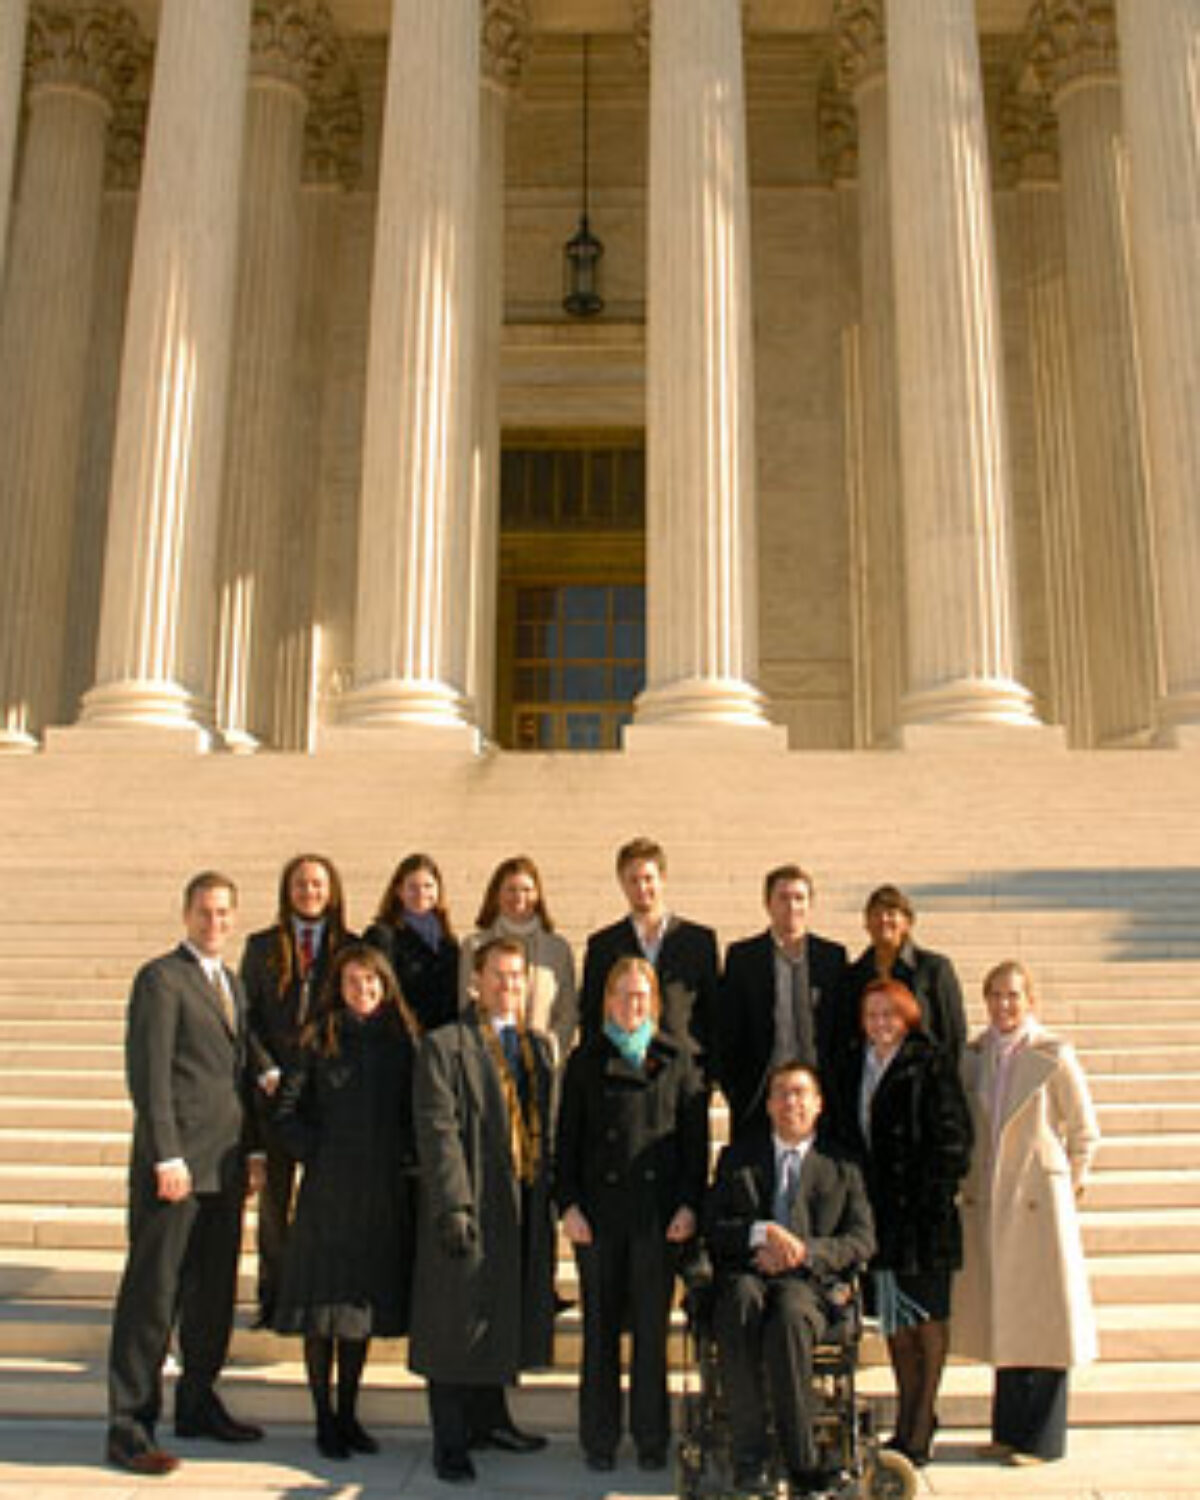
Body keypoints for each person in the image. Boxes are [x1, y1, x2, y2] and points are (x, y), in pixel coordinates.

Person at [105, 872, 265, 1476]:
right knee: (154, 1297)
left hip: (223, 1167)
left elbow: (241, 1075)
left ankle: (198, 1401)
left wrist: (251, 1151)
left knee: (211, 1295)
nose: (215, 922)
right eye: (205, 912)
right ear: (186, 914)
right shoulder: (161, 979)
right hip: (175, 1168)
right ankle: (128, 1424)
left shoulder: (231, 983)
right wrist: (165, 1156)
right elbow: (149, 1076)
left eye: (224, 912)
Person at [409, 937, 556, 1484]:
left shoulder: (537, 1049)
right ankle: (450, 1439)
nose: (508, 986)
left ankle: (492, 1419)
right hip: (469, 1198)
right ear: (476, 980)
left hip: (519, 1200)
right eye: (498, 975)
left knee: (499, 1313)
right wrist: (454, 1203)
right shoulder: (445, 1045)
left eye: (517, 977)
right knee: (454, 1319)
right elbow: (437, 1128)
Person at [556, 956, 708, 1472]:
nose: (631, 1004)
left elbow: (694, 1145)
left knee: (650, 1333)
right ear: (606, 1002)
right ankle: (598, 1438)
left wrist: (690, 1204)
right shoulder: (585, 1059)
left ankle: (650, 1437)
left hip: (658, 1217)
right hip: (597, 1218)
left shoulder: (679, 1059)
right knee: (599, 1331)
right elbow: (566, 1143)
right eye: (621, 995)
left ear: (655, 1004)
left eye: (640, 996)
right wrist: (568, 1204)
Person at [271, 943, 420, 1460]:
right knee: (322, 1312)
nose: (364, 992)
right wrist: (315, 1152)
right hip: (328, 1195)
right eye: (354, 983)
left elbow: (412, 1113)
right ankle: (324, 1418)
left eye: (372, 983)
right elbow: (286, 1112)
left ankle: (350, 1414)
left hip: (379, 1193)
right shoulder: (316, 1038)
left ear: (385, 987)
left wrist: (404, 1162)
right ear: (340, 986)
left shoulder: (402, 1042)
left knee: (358, 1313)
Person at [953, 960, 1100, 1466]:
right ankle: (1009, 1430)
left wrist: (1068, 1182)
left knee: (1045, 1320)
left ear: (1030, 1001)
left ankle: (1042, 1439)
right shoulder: (974, 1056)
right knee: (1008, 1318)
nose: (1003, 1005)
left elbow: (1084, 1130)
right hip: (991, 1200)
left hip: (1038, 1200)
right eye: (994, 995)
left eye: (1013, 995)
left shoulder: (1053, 1055)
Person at [706, 1061, 875, 1496]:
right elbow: (713, 1227)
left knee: (789, 1314)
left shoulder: (842, 1164)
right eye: (782, 1093)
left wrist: (805, 1251)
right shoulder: (738, 1157)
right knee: (738, 1302)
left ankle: (801, 1459)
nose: (791, 1102)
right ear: (768, 1104)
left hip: (810, 1287)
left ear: (818, 1105)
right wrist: (760, 1234)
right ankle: (750, 1457)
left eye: (801, 1094)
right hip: (750, 1273)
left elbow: (860, 1239)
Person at [830, 978, 972, 1467]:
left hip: (923, 1217)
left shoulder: (928, 1063)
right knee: (895, 1323)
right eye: (871, 1015)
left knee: (926, 1322)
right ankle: (910, 1418)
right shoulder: (854, 1065)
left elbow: (955, 1137)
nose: (880, 1024)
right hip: (878, 1218)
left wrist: (933, 1193)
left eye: (889, 1014)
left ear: (907, 1016)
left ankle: (920, 1419)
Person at [240, 853, 355, 1327]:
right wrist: (266, 1069)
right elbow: (245, 1018)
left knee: (330, 1202)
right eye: (301, 884)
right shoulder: (262, 945)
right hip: (276, 1092)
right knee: (276, 1204)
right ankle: (274, 1295)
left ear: (332, 891)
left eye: (318, 884)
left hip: (326, 1093)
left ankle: (322, 1293)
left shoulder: (349, 946)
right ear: (288, 890)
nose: (310, 892)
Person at [717, 863, 848, 1139]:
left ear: (811, 904)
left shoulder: (832, 957)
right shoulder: (743, 958)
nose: (792, 906)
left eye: (799, 898)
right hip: (762, 1093)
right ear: (768, 904)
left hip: (821, 1093)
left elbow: (842, 1027)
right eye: (783, 898)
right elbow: (728, 1030)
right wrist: (737, 1089)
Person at [580, 836, 719, 1077]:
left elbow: (714, 1013)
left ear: (663, 879)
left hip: (685, 1072)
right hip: (621, 1072)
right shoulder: (602, 946)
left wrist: (711, 1072)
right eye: (633, 880)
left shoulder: (699, 941)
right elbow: (592, 1014)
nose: (641, 888)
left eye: (648, 879)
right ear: (621, 883)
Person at [459, 854, 578, 1063]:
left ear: (538, 895)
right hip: (487, 1063)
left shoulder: (558, 949)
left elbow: (567, 1012)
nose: (519, 897)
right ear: (496, 894)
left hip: (542, 1066)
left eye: (527, 890)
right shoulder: (474, 946)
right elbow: (467, 1004)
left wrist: (550, 1051)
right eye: (511, 890)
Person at [839, 885, 966, 1067]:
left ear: (907, 922)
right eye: (876, 914)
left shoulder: (934, 969)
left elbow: (953, 1034)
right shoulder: (854, 975)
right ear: (866, 924)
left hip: (923, 1075)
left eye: (891, 913)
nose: (883, 919)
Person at [365, 852, 460, 1032]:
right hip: (400, 1037)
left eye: (428, 886)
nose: (421, 893)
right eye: (413, 887)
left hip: (442, 1039)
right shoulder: (382, 936)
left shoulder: (448, 941)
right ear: (399, 891)